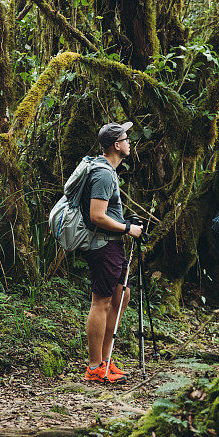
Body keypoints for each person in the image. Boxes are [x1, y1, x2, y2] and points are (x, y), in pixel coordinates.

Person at [81, 122, 143, 384]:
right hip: (103, 245)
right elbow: (97, 215)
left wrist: (123, 221)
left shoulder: (108, 171)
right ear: (117, 145)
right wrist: (127, 227)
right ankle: (95, 366)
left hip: (112, 244)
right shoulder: (104, 174)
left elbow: (106, 211)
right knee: (101, 301)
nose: (130, 142)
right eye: (126, 138)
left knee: (122, 295)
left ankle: (106, 362)